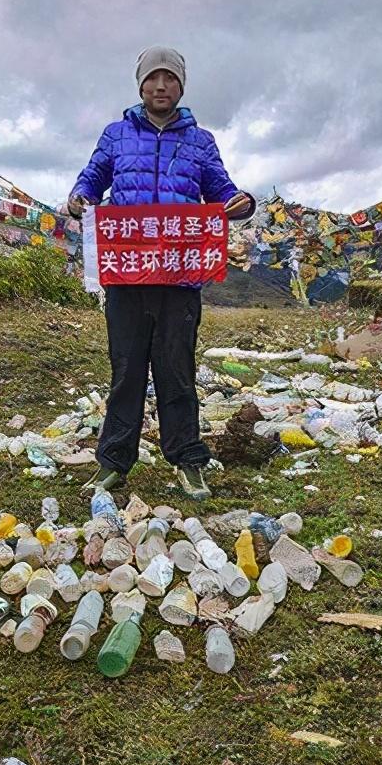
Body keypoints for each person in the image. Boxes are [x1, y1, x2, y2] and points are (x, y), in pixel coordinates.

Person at [68, 46, 255, 501]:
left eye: (169, 78)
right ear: (140, 85)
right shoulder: (115, 135)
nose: (160, 86)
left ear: (181, 86)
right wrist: (78, 197)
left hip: (180, 278)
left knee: (177, 369)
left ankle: (188, 460)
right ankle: (113, 463)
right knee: (126, 369)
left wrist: (240, 203)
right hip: (126, 277)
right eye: (152, 78)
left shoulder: (200, 142)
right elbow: (92, 179)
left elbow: (222, 190)